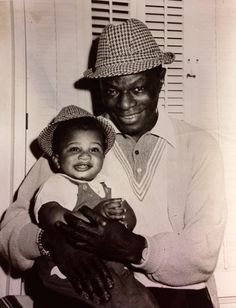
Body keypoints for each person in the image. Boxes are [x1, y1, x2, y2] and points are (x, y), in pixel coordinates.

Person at [0, 18, 226, 308]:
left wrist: (134, 249)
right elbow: (10, 229)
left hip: (182, 297)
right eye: (112, 91)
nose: (124, 104)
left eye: (138, 88)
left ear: (160, 79)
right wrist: (51, 241)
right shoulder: (80, 143)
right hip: (96, 294)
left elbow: (202, 256)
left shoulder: (199, 146)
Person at [33, 104, 157, 307]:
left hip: (112, 262)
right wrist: (94, 215)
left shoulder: (106, 183)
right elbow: (50, 216)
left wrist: (124, 217)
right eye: (75, 149)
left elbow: (129, 219)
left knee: (143, 300)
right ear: (56, 159)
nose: (85, 155)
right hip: (74, 268)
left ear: (102, 158)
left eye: (94, 149)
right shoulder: (58, 183)